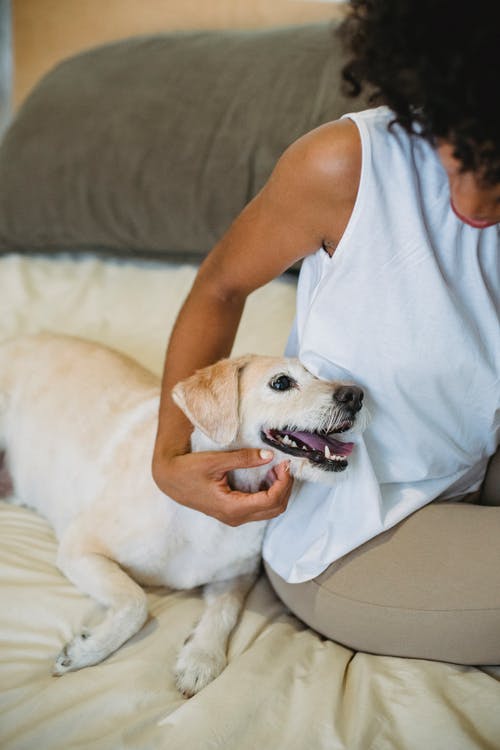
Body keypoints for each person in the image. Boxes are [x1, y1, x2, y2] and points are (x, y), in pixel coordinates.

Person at [153, 0, 500, 664]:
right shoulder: (344, 167)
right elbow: (219, 287)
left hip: (474, 463)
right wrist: (169, 461)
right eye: (462, 151)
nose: (476, 204)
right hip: (353, 525)